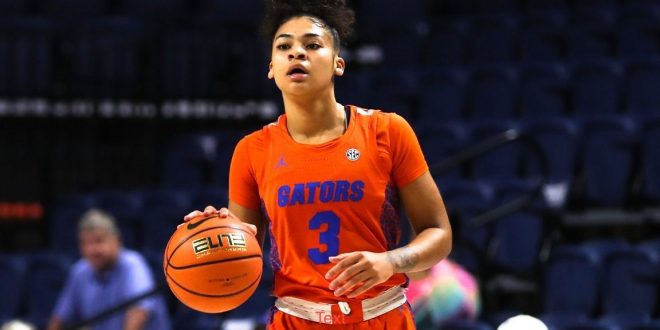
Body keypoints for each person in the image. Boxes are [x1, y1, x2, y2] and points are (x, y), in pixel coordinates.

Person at [183, 0, 452, 328]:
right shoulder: (251, 151)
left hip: (382, 316)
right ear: (271, 67)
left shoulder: (388, 131)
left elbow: (438, 233)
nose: (297, 53)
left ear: (338, 63)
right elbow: (244, 261)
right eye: (284, 46)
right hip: (297, 319)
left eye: (312, 44)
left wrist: (389, 261)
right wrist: (215, 236)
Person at [48, 209, 171, 330]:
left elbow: (139, 312)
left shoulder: (132, 264)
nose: (92, 250)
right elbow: (59, 318)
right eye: (86, 243)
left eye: (99, 241)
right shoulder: (80, 271)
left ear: (117, 240)